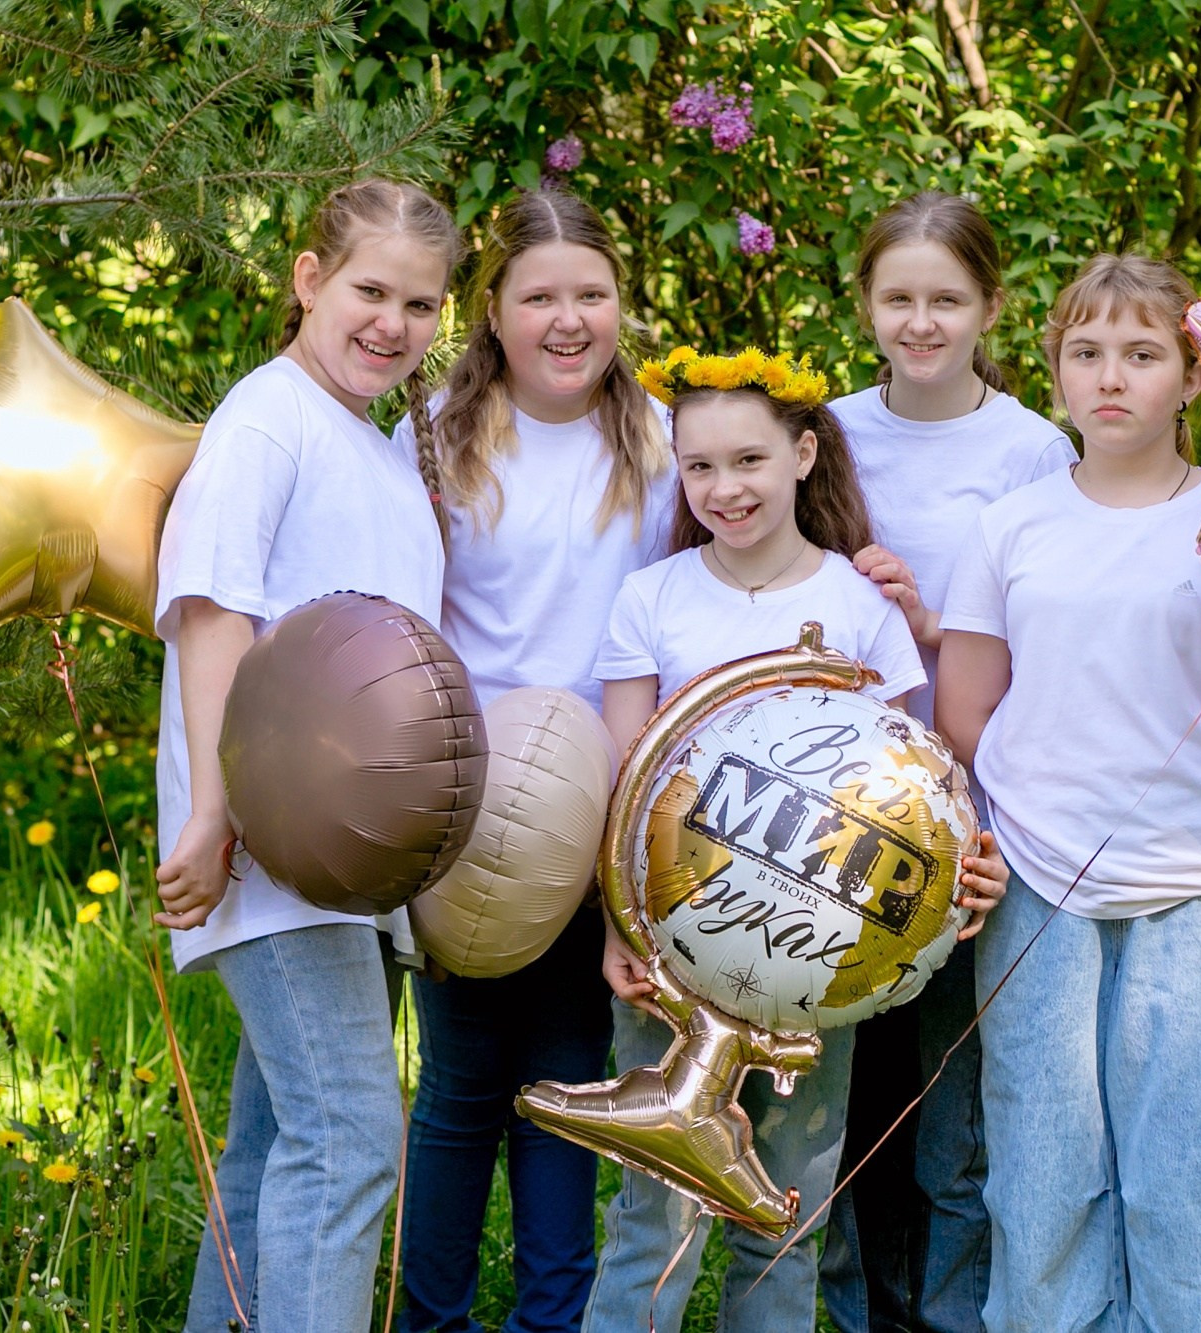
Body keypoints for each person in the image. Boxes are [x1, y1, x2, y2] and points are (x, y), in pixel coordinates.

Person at [936, 253, 1201, 1332]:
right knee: (1041, 1169)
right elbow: (966, 715)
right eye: (1086, 352)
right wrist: (1025, 819)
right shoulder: (1010, 526)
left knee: (1197, 1176)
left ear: (1196, 377)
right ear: (1056, 370)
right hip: (1037, 886)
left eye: (1142, 354)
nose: (1110, 377)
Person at [584, 347, 1009, 1333]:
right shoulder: (651, 598)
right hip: (669, 960)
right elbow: (623, 783)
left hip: (817, 966)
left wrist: (963, 872)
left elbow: (915, 789)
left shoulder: (858, 607)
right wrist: (616, 927)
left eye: (749, 460)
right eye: (700, 466)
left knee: (784, 1215)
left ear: (803, 454)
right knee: (651, 1217)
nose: (724, 488)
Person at [151, 177, 459, 1333]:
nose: (391, 324)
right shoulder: (266, 418)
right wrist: (212, 813)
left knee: (279, 1138)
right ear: (308, 279)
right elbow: (212, 613)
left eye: (419, 305)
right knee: (347, 1136)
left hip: (349, 859)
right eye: (370, 291)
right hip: (266, 845)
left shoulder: (377, 449)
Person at [390, 188, 669, 1333]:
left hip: (598, 807)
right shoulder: (433, 438)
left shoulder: (657, 441)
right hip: (463, 800)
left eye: (590, 294)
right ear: (491, 310)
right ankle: (430, 1317)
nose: (567, 320)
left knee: (566, 1078)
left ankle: (549, 1320)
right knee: (461, 1082)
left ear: (619, 304)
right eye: (539, 296)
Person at [823, 189, 1077, 1333]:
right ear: (864, 304)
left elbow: (1050, 639)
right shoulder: (824, 432)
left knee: (944, 1106)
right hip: (831, 812)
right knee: (844, 1088)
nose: (919, 322)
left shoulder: (1030, 450)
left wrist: (926, 626)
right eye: (897, 298)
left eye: (945, 300)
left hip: (969, 813)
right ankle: (849, 1306)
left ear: (989, 308)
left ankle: (946, 1314)